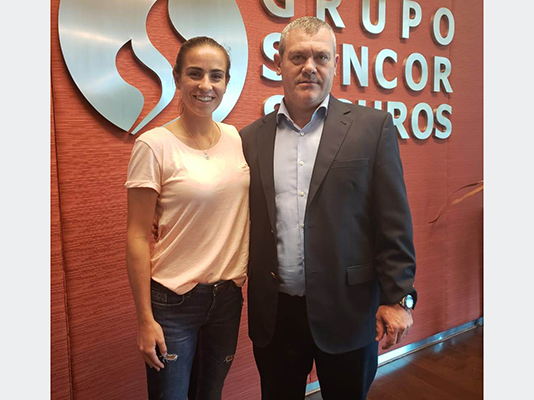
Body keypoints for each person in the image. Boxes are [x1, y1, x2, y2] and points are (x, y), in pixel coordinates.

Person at [240, 17, 417, 400]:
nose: (309, 67)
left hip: (348, 310)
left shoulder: (373, 128)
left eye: (320, 57)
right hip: (276, 315)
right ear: (278, 62)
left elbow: (393, 222)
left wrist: (398, 297)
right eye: (298, 57)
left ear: (335, 64)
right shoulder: (250, 138)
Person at [125, 36, 250, 400]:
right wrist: (145, 319)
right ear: (177, 78)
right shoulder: (153, 145)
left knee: (210, 394)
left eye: (216, 76)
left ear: (226, 82)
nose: (205, 85)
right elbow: (137, 236)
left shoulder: (235, 138)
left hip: (228, 297)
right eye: (195, 74)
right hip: (173, 302)